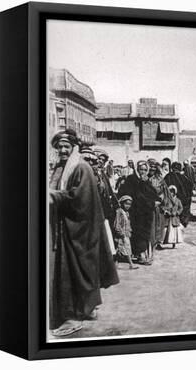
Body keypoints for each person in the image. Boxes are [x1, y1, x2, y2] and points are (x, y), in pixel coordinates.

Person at [48, 130, 119, 337]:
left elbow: (79, 200)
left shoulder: (81, 167)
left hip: (80, 231)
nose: (62, 150)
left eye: (66, 147)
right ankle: (86, 310)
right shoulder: (64, 167)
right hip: (66, 228)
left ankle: (74, 316)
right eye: (59, 147)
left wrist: (53, 196)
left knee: (74, 271)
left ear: (73, 148)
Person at [117, 160, 161, 265]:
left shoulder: (146, 181)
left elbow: (152, 193)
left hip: (146, 213)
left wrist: (156, 200)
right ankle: (140, 255)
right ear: (137, 169)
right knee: (138, 234)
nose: (143, 172)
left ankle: (143, 254)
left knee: (145, 233)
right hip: (136, 212)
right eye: (141, 169)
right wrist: (151, 203)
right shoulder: (131, 179)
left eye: (145, 170)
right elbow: (136, 196)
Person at [164, 161, 194, 227]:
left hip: (170, 202)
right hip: (183, 202)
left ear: (172, 168)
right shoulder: (184, 178)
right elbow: (190, 187)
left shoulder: (168, 176)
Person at [113, 195, 138, 270]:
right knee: (125, 249)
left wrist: (129, 231)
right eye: (126, 204)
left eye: (129, 204)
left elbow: (128, 223)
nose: (128, 206)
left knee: (121, 249)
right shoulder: (119, 212)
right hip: (121, 234)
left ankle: (115, 264)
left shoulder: (126, 213)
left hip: (126, 233)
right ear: (122, 203)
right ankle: (131, 264)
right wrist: (120, 232)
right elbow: (117, 223)